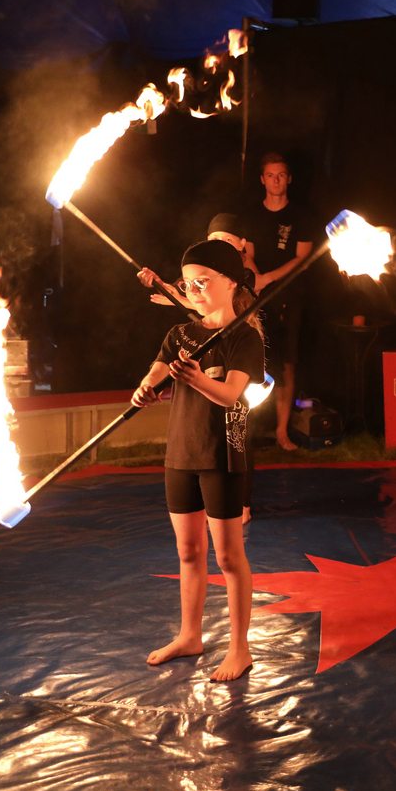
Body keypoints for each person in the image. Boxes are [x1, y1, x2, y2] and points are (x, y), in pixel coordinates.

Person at [131, 239, 264, 681]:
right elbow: (156, 371)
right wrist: (146, 388)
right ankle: (190, 635)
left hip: (221, 454)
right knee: (188, 551)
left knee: (228, 557)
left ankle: (240, 649)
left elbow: (230, 395)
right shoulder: (180, 334)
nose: (194, 290)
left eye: (203, 281)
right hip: (181, 452)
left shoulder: (244, 337)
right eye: (188, 284)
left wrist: (194, 378)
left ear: (231, 282)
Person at [240, 153, 315, 451]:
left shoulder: (300, 216)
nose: (276, 180)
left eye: (281, 175)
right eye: (270, 175)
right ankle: (248, 429)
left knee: (287, 364)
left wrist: (268, 278)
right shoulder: (252, 215)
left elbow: (303, 258)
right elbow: (247, 254)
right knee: (254, 361)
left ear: (289, 179)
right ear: (262, 179)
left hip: (289, 296)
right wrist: (257, 279)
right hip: (258, 297)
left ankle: (282, 431)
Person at [137, 212, 257, 310]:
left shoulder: (245, 276)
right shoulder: (197, 272)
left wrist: (180, 301)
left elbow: (227, 309)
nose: (220, 244)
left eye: (228, 240)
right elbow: (171, 295)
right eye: (215, 239)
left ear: (241, 244)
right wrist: (158, 283)